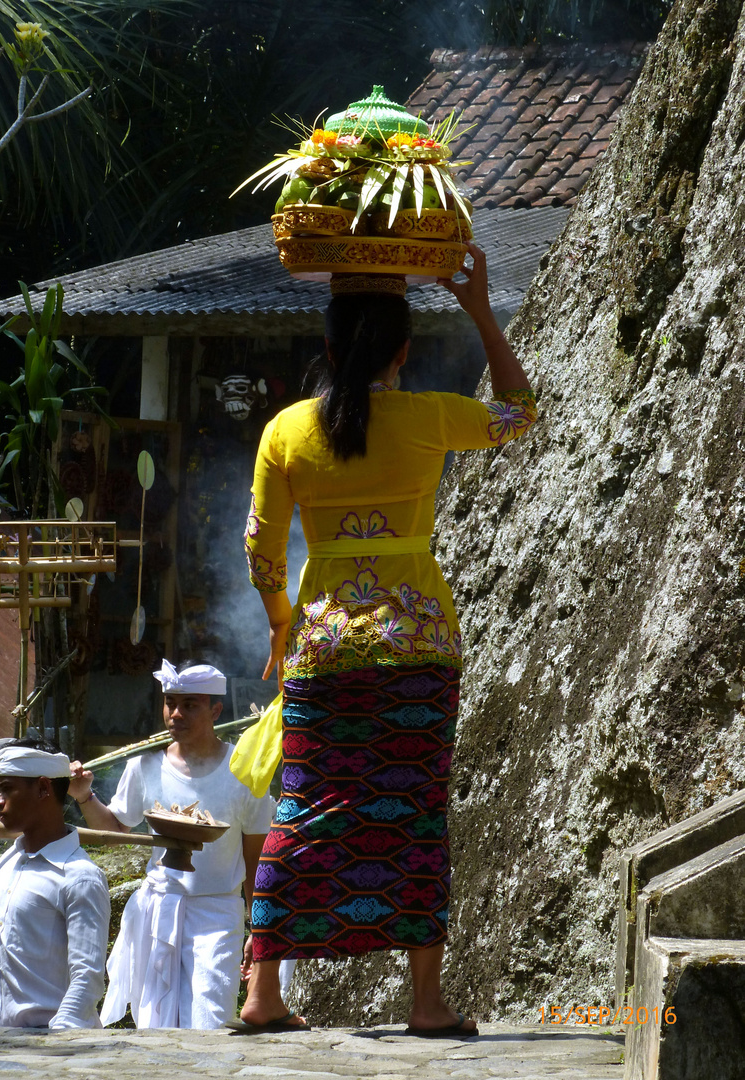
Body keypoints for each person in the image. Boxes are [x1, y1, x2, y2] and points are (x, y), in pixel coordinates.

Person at [240, 242, 537, 1035]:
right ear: (403, 349)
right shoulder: (430, 417)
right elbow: (520, 411)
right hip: (418, 651)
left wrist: (280, 625)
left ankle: (263, 996)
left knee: (300, 812)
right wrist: (479, 310)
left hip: (323, 654)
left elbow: (261, 548)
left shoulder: (287, 430)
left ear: (328, 346)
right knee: (414, 814)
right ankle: (427, 1003)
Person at [69, 660, 275, 1029]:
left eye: (189, 705)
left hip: (217, 911)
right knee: (154, 1024)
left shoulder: (243, 770)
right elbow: (116, 828)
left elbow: (256, 858)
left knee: (210, 1017)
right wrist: (84, 797)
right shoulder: (145, 766)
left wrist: (258, 929)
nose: (175, 714)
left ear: (215, 710)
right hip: (158, 907)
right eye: (169, 703)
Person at [0, 737, 110, 1031]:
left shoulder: (80, 876)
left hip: (50, 1048)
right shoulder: (9, 862)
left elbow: (87, 979)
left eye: (6, 789)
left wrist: (54, 1044)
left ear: (44, 788)